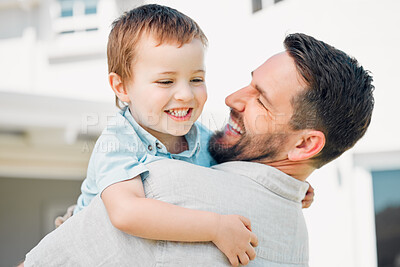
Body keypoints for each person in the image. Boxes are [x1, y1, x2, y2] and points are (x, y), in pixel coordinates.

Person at [22, 33, 374, 266]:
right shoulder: (297, 244)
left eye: (260, 100)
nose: (231, 99)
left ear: (305, 145)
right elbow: (123, 212)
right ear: (122, 87)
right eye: (165, 81)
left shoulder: (164, 186)